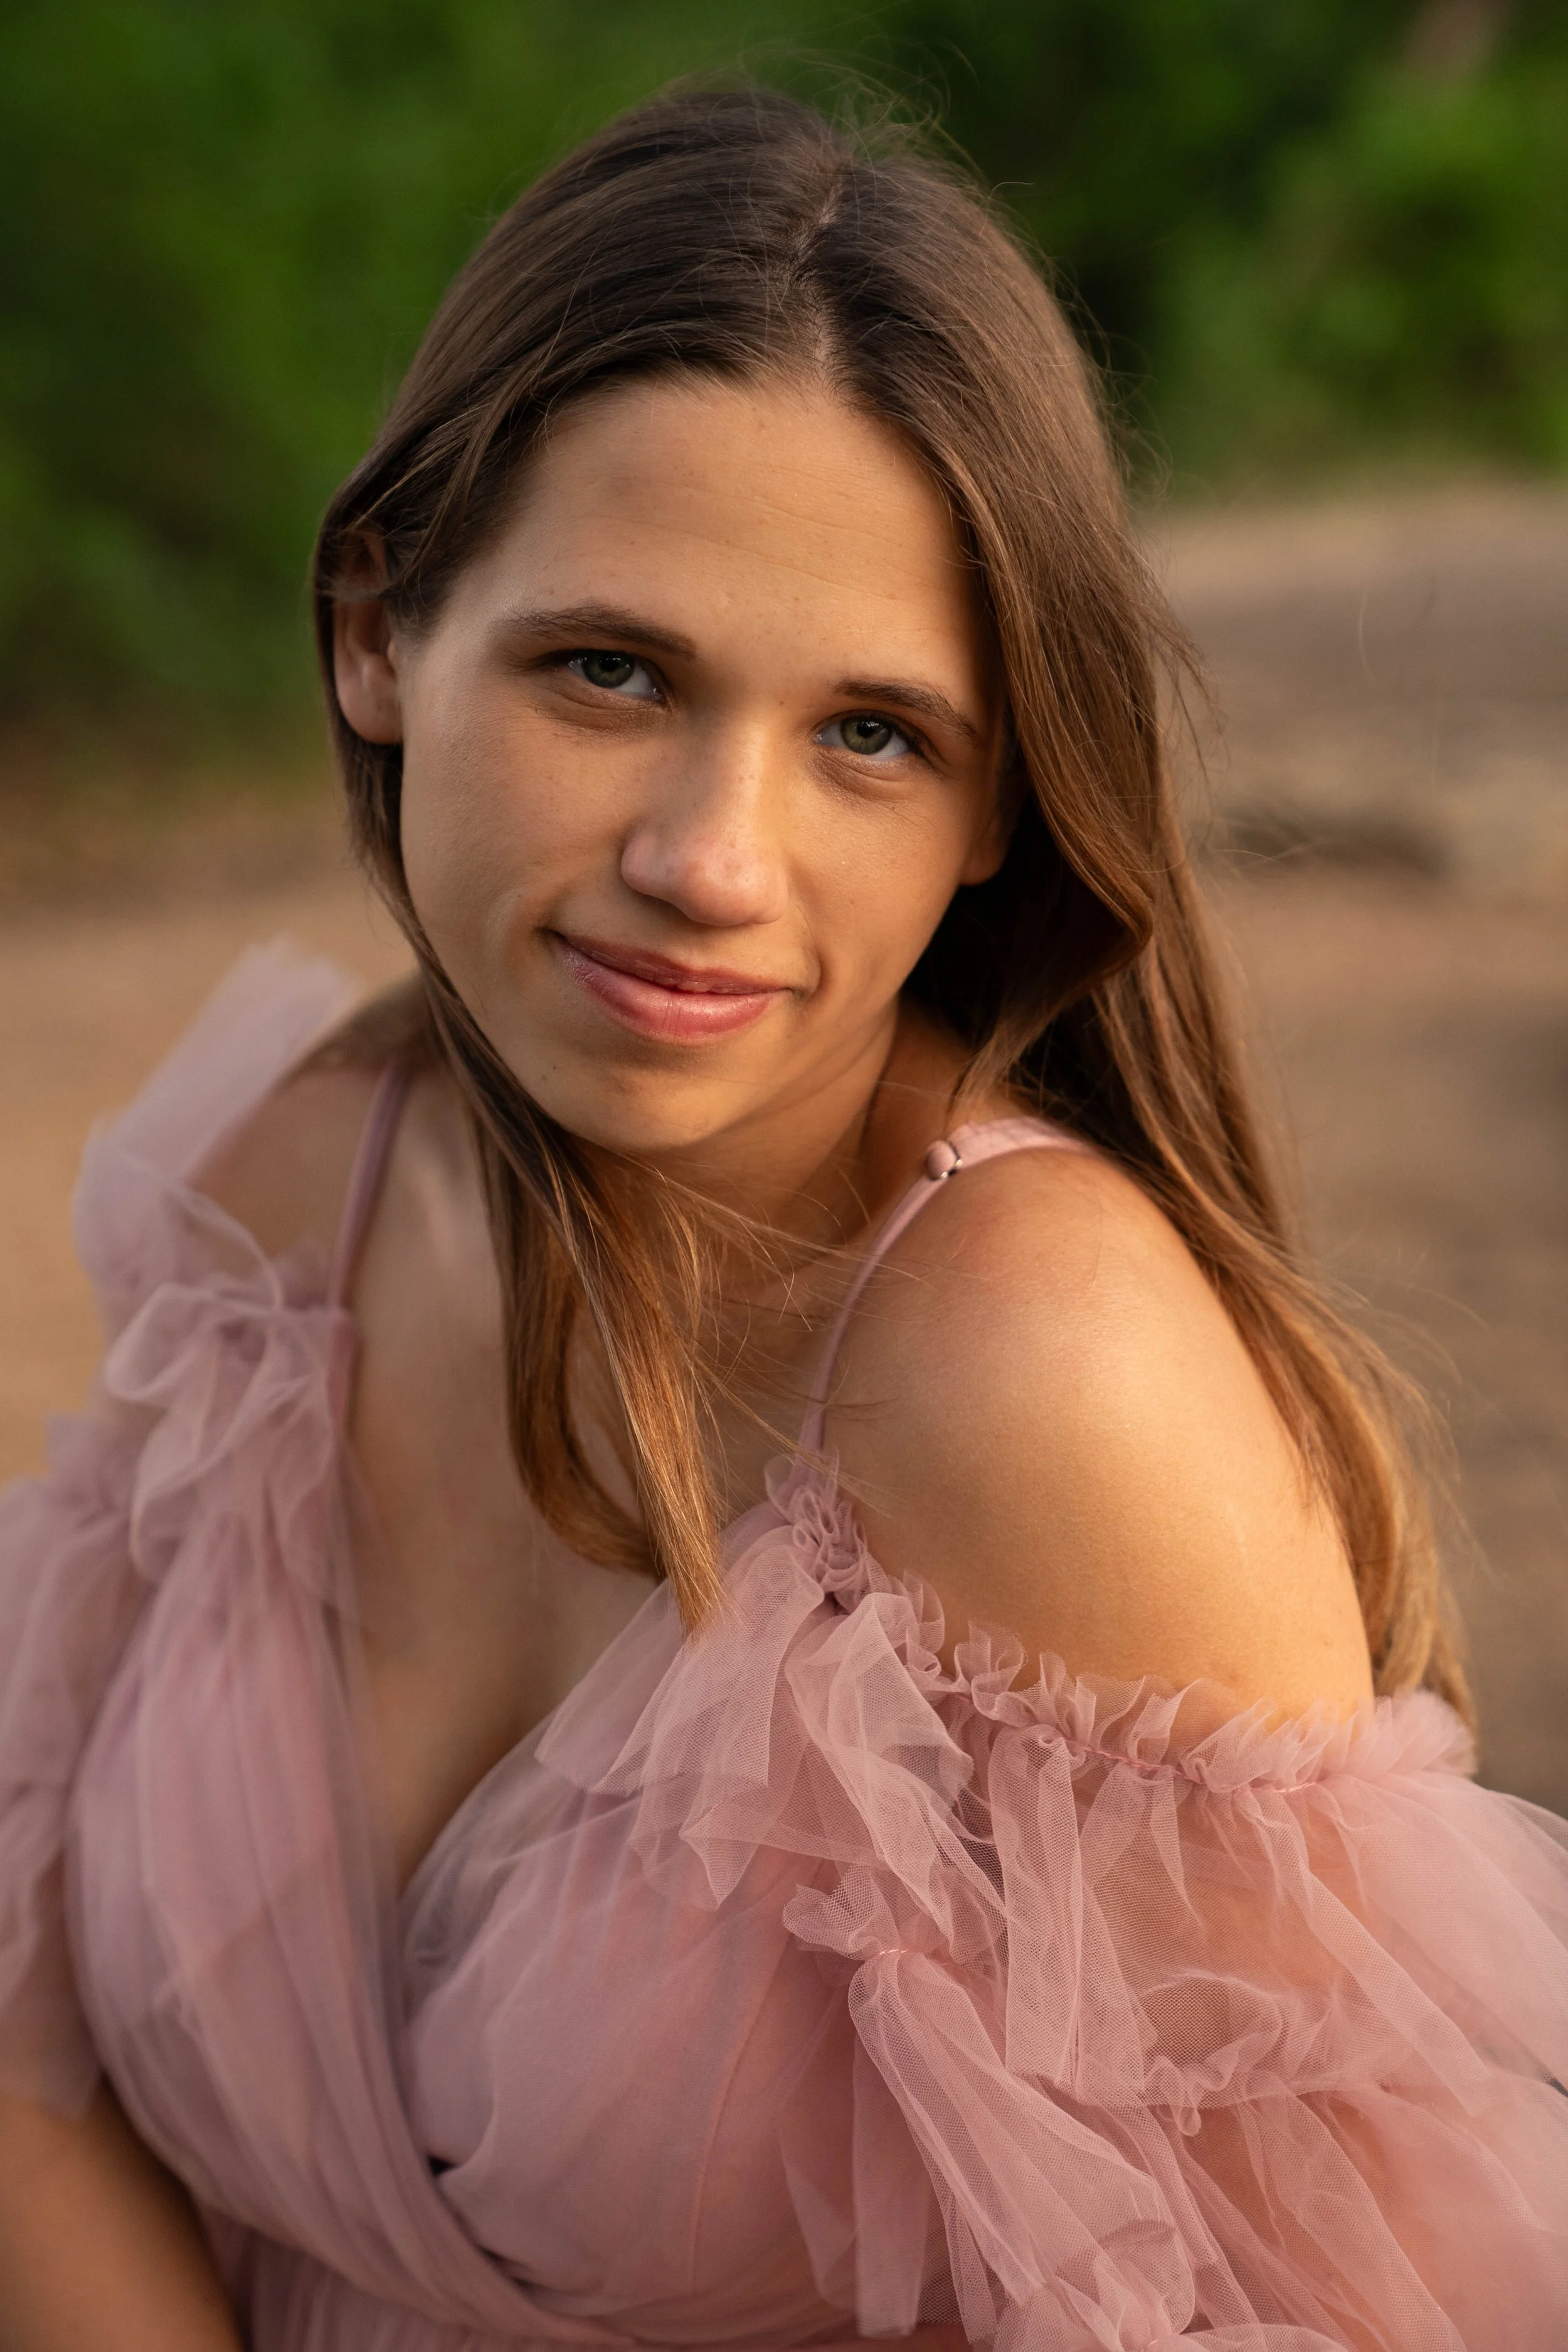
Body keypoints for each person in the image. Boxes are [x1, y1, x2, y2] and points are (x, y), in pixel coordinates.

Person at [1, 83, 1565, 2352]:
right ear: (378, 633)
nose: (711, 861)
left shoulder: (1036, 1386)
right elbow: (30, 2035)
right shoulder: (297, 1187)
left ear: (999, 804)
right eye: (608, 671)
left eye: (870, 737)